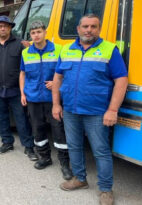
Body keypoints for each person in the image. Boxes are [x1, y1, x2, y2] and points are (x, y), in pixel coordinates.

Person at [52, 14, 128, 205]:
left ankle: (105, 189)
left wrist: (112, 110)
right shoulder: (67, 49)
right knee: (75, 146)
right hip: (70, 109)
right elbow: (58, 78)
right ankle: (80, 179)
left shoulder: (109, 49)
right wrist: (56, 104)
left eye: (93, 26)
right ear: (78, 29)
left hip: (97, 111)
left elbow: (121, 80)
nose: (89, 30)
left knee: (101, 151)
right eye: (85, 26)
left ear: (99, 29)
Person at [19, 21, 72, 180]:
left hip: (52, 99)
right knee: (38, 129)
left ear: (45, 32)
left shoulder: (58, 50)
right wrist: (22, 93)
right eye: (33, 32)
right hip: (33, 98)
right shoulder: (26, 53)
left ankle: (64, 164)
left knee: (59, 130)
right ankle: (44, 158)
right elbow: (22, 74)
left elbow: (66, 72)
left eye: (39, 32)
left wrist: (58, 83)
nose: (36, 35)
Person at [0, 16, 37, 161]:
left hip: (16, 90)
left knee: (22, 119)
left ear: (10, 28)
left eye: (6, 26)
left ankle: (29, 146)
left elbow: (32, 61)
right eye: (0, 26)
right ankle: (7, 142)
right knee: (1, 117)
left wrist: (31, 47)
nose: (3, 28)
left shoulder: (19, 44)